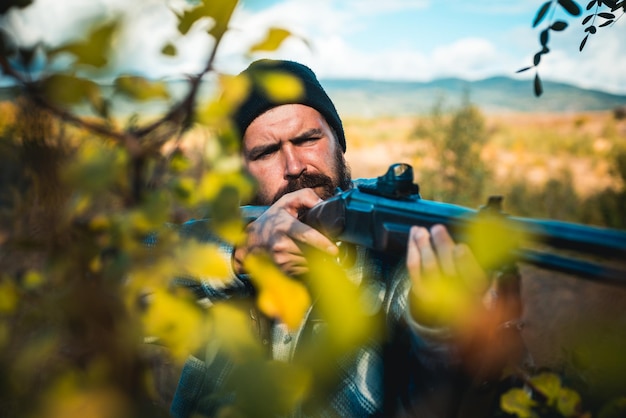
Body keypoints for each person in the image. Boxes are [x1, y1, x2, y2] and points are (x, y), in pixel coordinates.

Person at [168, 59, 527, 418]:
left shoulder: (388, 252)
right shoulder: (232, 242)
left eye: (308, 139)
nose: (294, 166)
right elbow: (131, 268)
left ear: (338, 144)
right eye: (266, 152)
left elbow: (436, 398)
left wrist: (438, 333)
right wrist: (240, 255)